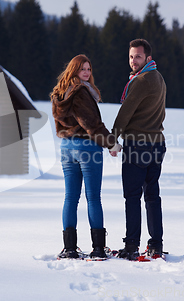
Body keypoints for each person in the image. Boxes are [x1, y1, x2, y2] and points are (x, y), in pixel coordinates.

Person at [51, 54, 120, 259]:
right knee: (93, 198)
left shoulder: (60, 93)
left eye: (89, 69)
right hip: (87, 148)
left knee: (70, 198)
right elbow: (92, 124)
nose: (87, 73)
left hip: (66, 147)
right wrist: (111, 143)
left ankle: (70, 248)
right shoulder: (80, 92)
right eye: (83, 69)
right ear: (74, 70)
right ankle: (98, 249)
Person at [111, 39, 167, 260]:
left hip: (138, 145)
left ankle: (132, 245)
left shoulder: (141, 81)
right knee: (152, 196)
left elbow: (125, 113)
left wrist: (112, 139)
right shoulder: (159, 78)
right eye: (131, 56)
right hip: (157, 144)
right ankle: (156, 244)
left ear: (148, 59)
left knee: (132, 196)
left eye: (138, 57)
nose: (134, 61)